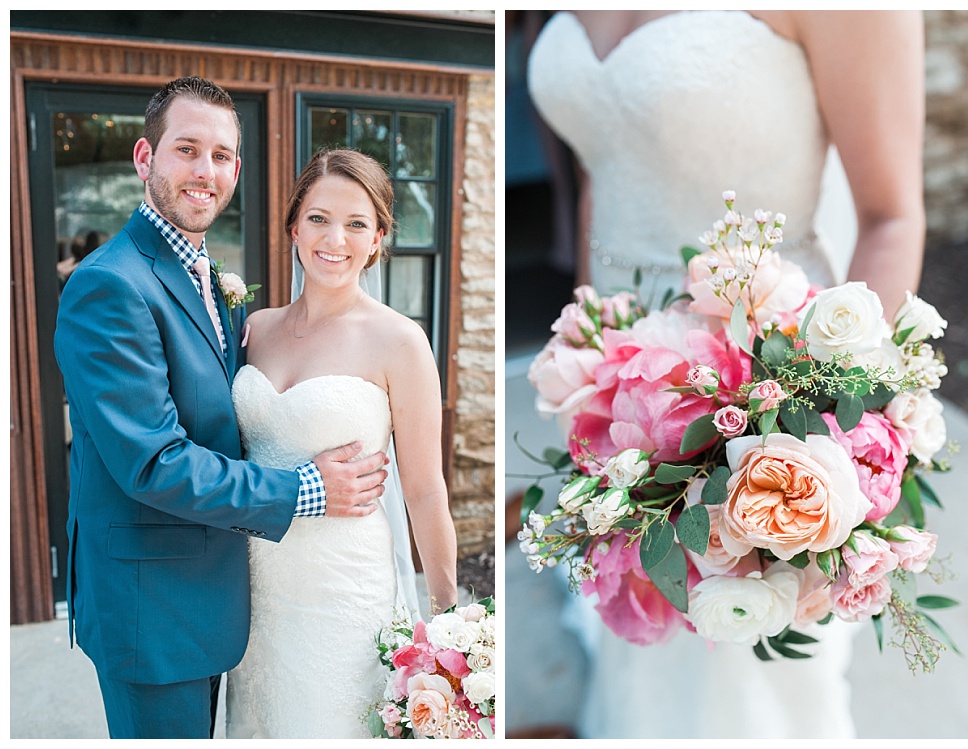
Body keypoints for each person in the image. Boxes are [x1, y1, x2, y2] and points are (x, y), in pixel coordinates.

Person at [522, 9, 926, 738]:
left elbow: (890, 217)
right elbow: (605, 170)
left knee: (744, 678)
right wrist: (586, 361)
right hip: (612, 397)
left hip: (762, 397)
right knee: (639, 644)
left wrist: (823, 433)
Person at [53, 77, 389, 740]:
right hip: (152, 615)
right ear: (145, 159)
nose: (205, 171)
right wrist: (310, 488)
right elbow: (155, 462)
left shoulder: (207, 275)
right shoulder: (109, 285)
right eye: (186, 149)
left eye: (221, 155)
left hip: (214, 603)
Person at [224, 148, 459, 738]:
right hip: (254, 595)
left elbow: (426, 491)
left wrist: (450, 619)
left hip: (343, 594)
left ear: (378, 238)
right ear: (294, 227)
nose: (336, 238)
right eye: (320, 218)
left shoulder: (400, 342)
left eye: (357, 223)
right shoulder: (254, 330)